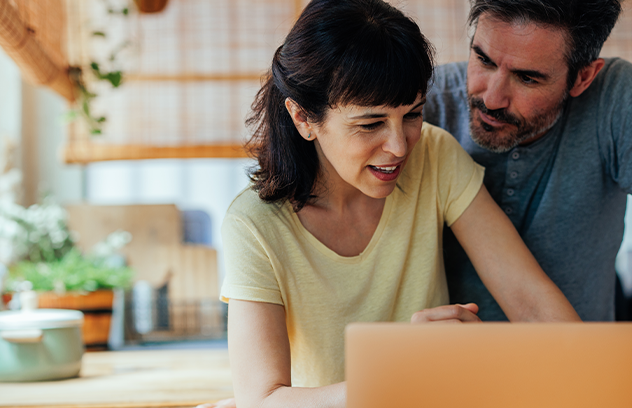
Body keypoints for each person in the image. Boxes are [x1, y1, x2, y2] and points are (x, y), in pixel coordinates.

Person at [210, 1, 580, 407]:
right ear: (302, 118)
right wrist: (397, 372)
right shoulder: (255, 224)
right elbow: (260, 400)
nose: (399, 146)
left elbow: (532, 303)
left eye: (412, 114)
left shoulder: (435, 157)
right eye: (370, 124)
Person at [424, 0, 632, 322]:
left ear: (583, 78)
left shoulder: (616, 101)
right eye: (483, 59)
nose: (491, 98)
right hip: (446, 365)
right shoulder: (421, 106)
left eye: (527, 79)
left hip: (575, 363)